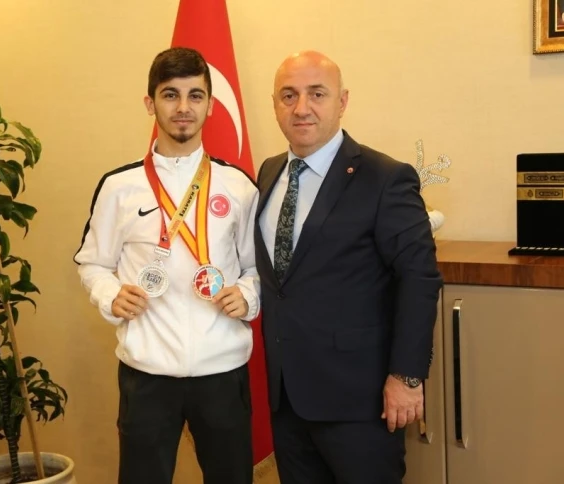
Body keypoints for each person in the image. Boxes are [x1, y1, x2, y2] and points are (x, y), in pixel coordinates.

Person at [254, 50, 442, 484]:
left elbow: (419, 280)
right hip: (286, 399)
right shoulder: (268, 172)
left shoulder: (385, 178)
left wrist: (406, 376)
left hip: (361, 403)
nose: (302, 107)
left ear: (342, 102)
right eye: (289, 95)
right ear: (275, 105)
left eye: (317, 93)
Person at [74, 47, 260, 484]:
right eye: (170, 95)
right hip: (147, 373)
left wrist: (248, 295)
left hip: (222, 370)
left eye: (195, 95)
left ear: (210, 106)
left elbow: (258, 270)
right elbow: (92, 263)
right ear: (150, 103)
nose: (183, 108)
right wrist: (110, 294)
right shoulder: (119, 187)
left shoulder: (238, 186)